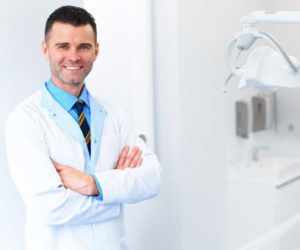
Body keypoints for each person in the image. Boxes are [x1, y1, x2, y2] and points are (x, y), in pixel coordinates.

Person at [5, 5, 162, 250]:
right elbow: (48, 207)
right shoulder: (25, 121)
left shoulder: (114, 115)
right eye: (63, 46)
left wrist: (92, 184)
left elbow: (152, 178)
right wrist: (115, 195)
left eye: (84, 47)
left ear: (96, 51)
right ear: (45, 50)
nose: (74, 56)